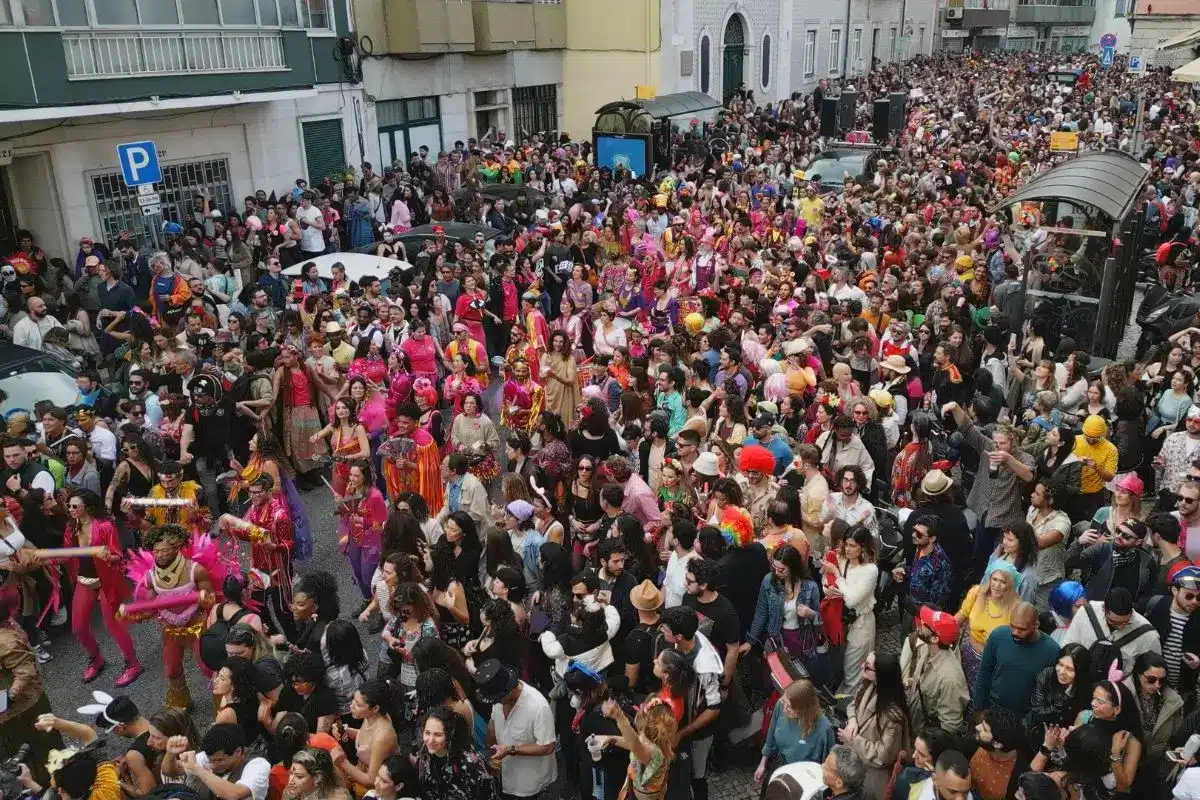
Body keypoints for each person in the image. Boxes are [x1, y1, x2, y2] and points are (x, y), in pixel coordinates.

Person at [63, 489, 142, 686]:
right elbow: (66, 554)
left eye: (75, 506)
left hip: (106, 581)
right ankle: (96, 659)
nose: (70, 509)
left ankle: (133, 664)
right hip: (85, 580)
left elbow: (118, 556)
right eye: (69, 506)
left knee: (113, 625)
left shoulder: (105, 526)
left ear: (87, 507)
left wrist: (109, 556)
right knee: (79, 626)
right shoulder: (71, 527)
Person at [477, 658, 557, 800]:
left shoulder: (538, 706)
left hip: (530, 783)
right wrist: (489, 751)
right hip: (507, 775)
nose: (496, 703)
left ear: (509, 689)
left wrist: (510, 750)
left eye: (498, 699)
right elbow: (493, 724)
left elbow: (548, 746)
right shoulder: (499, 699)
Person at [840, 651, 910, 800]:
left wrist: (853, 739)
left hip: (873, 779)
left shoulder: (892, 717)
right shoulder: (868, 686)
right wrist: (852, 721)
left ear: (880, 674)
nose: (861, 666)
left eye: (867, 666)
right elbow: (853, 705)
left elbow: (882, 757)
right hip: (858, 766)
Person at [973, 601, 1061, 717]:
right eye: (1012, 626)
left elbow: (1049, 694)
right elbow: (984, 674)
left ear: (1036, 625)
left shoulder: (1052, 651)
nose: (1015, 632)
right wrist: (979, 710)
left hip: (1026, 719)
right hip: (994, 711)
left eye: (1022, 629)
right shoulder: (998, 636)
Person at [900, 606, 969, 735]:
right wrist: (914, 682)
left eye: (925, 623)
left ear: (935, 638)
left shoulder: (949, 679)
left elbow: (950, 727)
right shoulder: (927, 648)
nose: (920, 622)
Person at [1061, 587, 1162, 675]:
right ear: (1104, 609)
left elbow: (1154, 670)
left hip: (1119, 688)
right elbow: (1068, 646)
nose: (1121, 627)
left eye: (1126, 622)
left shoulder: (1148, 635)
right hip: (1081, 678)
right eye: (1115, 622)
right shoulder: (1086, 612)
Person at [162, 722, 272, 800]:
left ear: (238, 751)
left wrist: (197, 769)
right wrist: (171, 753)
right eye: (210, 760)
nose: (212, 766)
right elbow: (170, 771)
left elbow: (235, 794)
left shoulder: (258, 764)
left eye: (219, 761)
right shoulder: (210, 757)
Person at [755, 678, 835, 786]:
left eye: (789, 708)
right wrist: (762, 763)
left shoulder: (824, 730)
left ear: (804, 710)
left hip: (803, 780)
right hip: (779, 767)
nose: (784, 710)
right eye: (784, 703)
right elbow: (771, 737)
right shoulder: (781, 704)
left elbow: (827, 765)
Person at [416, 706, 498, 800]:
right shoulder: (425, 757)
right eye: (427, 733)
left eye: (438, 735)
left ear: (450, 735)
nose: (430, 740)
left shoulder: (470, 764)